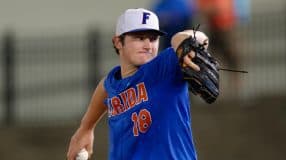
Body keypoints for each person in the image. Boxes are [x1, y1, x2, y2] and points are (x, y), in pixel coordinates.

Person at [67, 8, 206, 160]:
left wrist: (184, 38)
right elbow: (105, 87)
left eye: (153, 39)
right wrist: (86, 128)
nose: (148, 45)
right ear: (118, 42)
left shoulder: (166, 66)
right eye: (140, 38)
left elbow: (201, 39)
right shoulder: (113, 82)